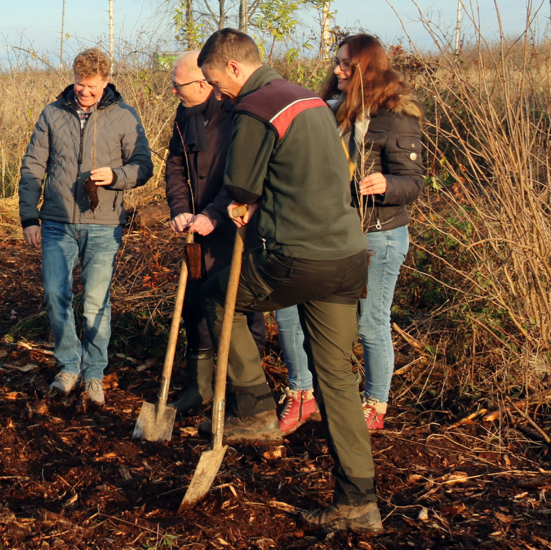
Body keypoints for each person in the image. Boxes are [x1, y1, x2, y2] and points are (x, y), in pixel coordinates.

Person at [196, 29, 381, 532]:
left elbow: (240, 185)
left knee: (215, 298)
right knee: (337, 378)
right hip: (345, 256)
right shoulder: (309, 99)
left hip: (295, 257)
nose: (216, 92)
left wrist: (241, 201)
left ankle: (254, 409)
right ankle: (359, 502)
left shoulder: (256, 107)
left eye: (215, 81)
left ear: (234, 69)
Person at [274, 34, 424, 435]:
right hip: (327, 232)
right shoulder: (326, 111)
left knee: (370, 323)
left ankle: (375, 404)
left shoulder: (396, 116)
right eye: (337, 62)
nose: (337, 70)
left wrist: (386, 183)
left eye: (346, 65)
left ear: (367, 69)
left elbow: (412, 182)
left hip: (378, 235)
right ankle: (302, 395)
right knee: (289, 310)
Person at [18, 47, 153, 405]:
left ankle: (94, 373)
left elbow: (143, 165)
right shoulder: (52, 113)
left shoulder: (125, 116)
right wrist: (29, 216)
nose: (85, 92)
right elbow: (33, 166)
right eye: (80, 85)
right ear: (73, 78)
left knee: (95, 302)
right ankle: (68, 364)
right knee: (55, 295)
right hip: (56, 223)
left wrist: (116, 176)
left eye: (92, 86)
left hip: (103, 223)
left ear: (106, 81)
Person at [163, 51, 266, 415]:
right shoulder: (183, 117)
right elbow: (174, 167)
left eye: (179, 84)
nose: (174, 91)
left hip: (234, 229)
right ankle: (199, 388)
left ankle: (245, 396)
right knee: (194, 306)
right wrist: (180, 210)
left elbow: (243, 177)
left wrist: (213, 213)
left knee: (239, 308)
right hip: (196, 232)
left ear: (203, 83)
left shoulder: (238, 113)